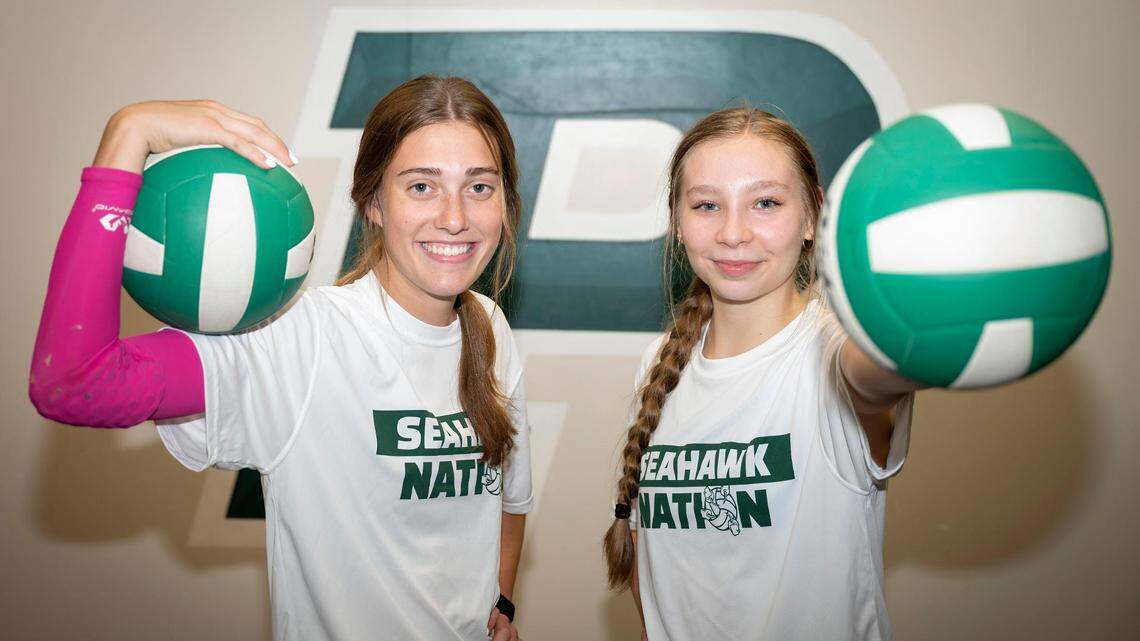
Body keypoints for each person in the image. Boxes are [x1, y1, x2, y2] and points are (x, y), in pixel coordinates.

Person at [30, 76, 530, 641]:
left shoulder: (488, 327)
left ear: (506, 204)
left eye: (480, 188)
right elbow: (73, 382)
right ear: (372, 202)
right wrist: (129, 133)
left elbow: (509, 499)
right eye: (421, 187)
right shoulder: (296, 341)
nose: (455, 217)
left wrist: (503, 602)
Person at [602, 108, 926, 641]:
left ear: (810, 216)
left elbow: (880, 374)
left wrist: (929, 333)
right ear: (678, 223)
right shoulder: (661, 361)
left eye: (766, 203)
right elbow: (654, 572)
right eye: (707, 205)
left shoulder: (835, 352)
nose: (733, 232)